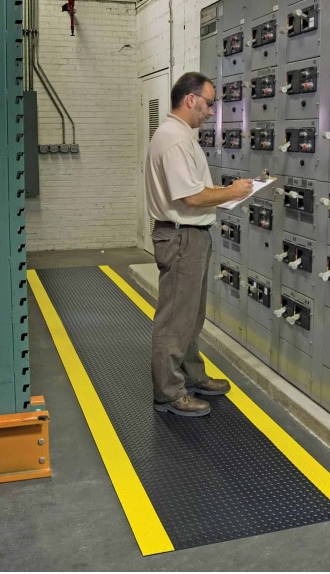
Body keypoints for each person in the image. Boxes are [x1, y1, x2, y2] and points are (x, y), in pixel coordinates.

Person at [145, 72, 253, 417]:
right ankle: (169, 392)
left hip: (190, 235)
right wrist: (233, 192)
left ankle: (191, 375)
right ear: (190, 99)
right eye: (208, 103)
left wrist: (224, 194)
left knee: (191, 315)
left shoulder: (180, 136)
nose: (211, 111)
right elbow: (190, 197)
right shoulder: (175, 139)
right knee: (176, 318)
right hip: (182, 235)